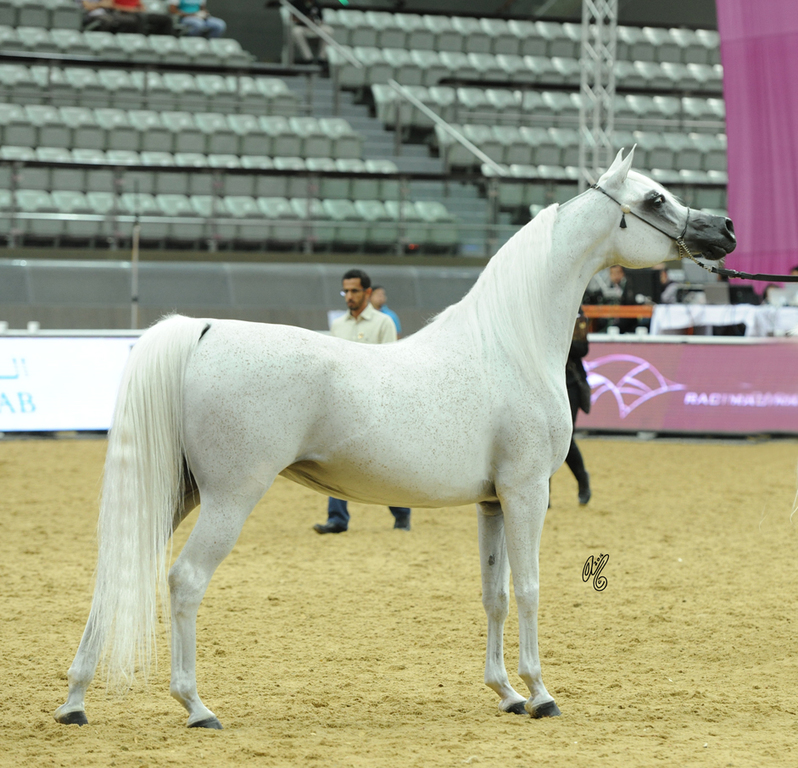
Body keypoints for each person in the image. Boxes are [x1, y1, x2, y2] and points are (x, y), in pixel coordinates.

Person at [313, 269, 412, 534]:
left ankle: (401, 513)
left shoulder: (384, 323)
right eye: (345, 291)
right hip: (344, 405)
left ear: (367, 293)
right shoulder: (338, 326)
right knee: (336, 460)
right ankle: (337, 519)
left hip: (376, 403)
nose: (349, 296)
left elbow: (391, 364)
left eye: (354, 291)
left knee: (386, 461)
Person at [564, 311, 591, 505]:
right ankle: (544, 493)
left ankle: (582, 479)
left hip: (570, 383)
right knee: (541, 438)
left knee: (566, 438)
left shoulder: (577, 316)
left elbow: (582, 349)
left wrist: (560, 338)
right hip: (543, 382)